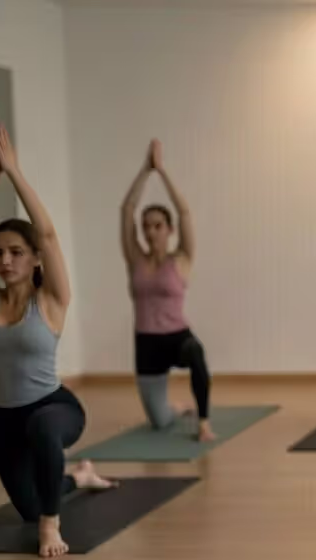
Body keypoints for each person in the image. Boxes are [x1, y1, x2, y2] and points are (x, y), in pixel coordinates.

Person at [0, 125, 114, 558]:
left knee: (44, 434)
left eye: (15, 251)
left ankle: (52, 525)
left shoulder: (51, 300)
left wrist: (14, 172)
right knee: (27, 506)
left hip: (53, 408)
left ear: (33, 259)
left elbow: (47, 234)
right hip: (3, 418)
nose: (4, 260)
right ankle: (76, 479)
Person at [120, 139, 215, 442]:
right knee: (160, 421)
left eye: (158, 225)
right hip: (146, 342)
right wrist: (145, 171)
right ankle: (176, 408)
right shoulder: (135, 259)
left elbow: (184, 212)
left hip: (177, 337)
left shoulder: (181, 259)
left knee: (196, 353)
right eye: (146, 226)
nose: (150, 231)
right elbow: (126, 211)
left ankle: (203, 422)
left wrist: (163, 172)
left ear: (169, 230)